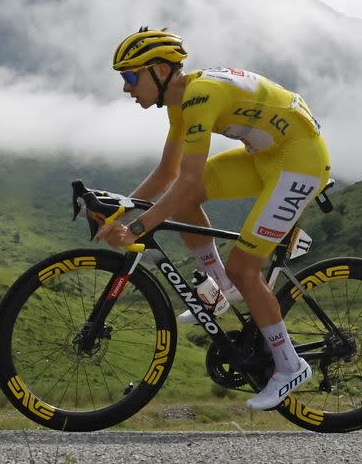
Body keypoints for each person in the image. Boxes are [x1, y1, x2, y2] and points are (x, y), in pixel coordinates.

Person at [95, 27, 331, 410]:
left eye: (130, 77)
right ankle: (221, 287)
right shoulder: (179, 99)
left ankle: (290, 365)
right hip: (266, 155)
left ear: (157, 70)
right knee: (188, 199)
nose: (126, 88)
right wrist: (123, 208)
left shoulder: (201, 96)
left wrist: (137, 228)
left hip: (299, 162)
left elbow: (184, 181)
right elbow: (169, 173)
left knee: (245, 267)